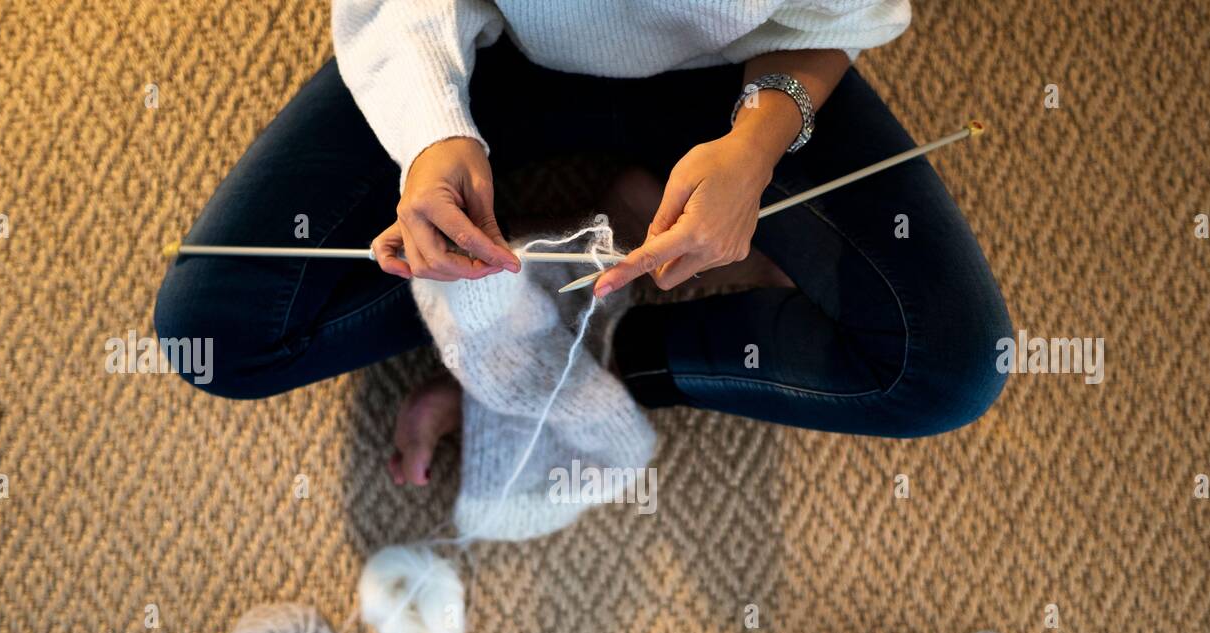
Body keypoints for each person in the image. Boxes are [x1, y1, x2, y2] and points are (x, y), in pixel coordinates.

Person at [154, 1, 1009, 487]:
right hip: (496, 49)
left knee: (952, 369)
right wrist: (431, 136)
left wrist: (754, 148)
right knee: (217, 338)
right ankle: (528, 322)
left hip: (730, 80)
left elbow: (832, 16)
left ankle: (553, 355)